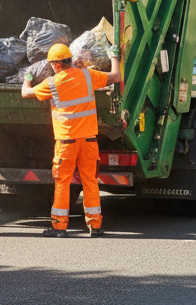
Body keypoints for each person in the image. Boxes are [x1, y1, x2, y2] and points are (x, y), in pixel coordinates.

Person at [21, 42, 122, 237]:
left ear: (56, 65)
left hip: (67, 143)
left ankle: (59, 227)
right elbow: (116, 77)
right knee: (90, 182)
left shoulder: (52, 83)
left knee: (63, 182)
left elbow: (26, 93)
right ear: (70, 60)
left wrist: (27, 78)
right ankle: (95, 226)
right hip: (89, 142)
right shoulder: (87, 75)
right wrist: (114, 56)